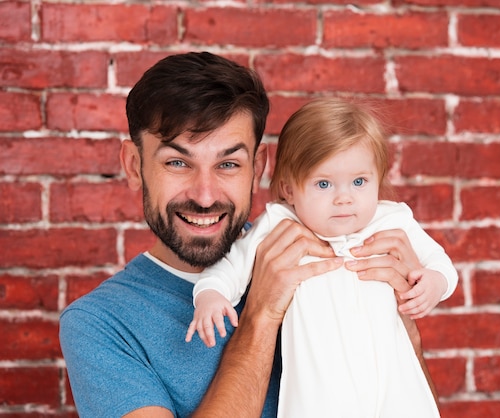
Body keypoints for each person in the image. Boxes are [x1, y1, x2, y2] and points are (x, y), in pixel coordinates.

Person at [58, 52, 438, 418]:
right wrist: (261, 314)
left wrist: (403, 322)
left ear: (258, 167)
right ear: (134, 166)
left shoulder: (328, 251)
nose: (205, 196)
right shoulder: (100, 324)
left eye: (228, 164)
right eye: (177, 162)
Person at [186, 98, 458, 417]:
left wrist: (433, 284)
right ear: (289, 189)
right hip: (320, 394)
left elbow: (442, 266)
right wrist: (210, 297)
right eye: (323, 184)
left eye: (359, 182)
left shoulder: (393, 221)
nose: (344, 198)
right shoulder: (279, 225)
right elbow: (227, 270)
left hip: (392, 385)